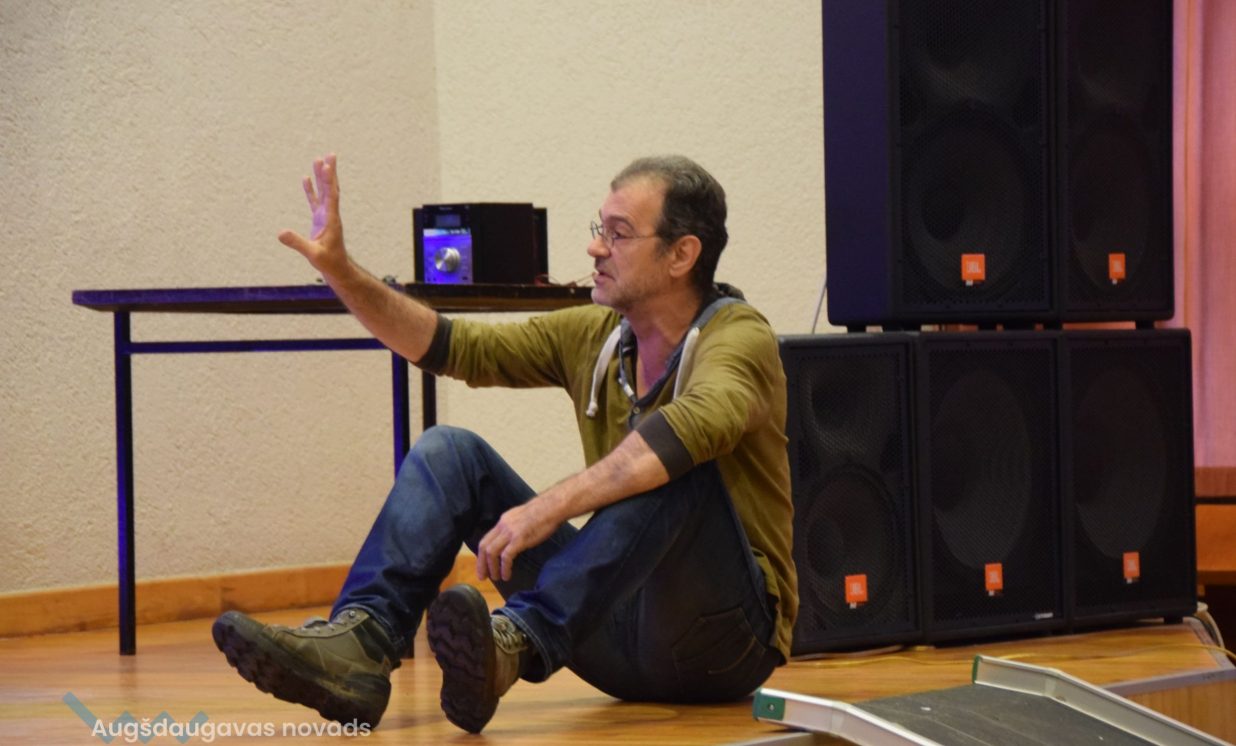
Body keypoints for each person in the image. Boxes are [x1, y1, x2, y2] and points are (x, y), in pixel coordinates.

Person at [211, 153, 798, 734]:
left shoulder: (738, 337)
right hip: (609, 634)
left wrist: (546, 508)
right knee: (450, 453)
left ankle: (516, 638)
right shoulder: (593, 334)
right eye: (599, 229)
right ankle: (360, 647)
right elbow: (453, 346)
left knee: (678, 466)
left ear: (681, 254)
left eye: (618, 234)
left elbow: (691, 428)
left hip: (723, 645)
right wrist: (343, 273)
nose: (595, 248)